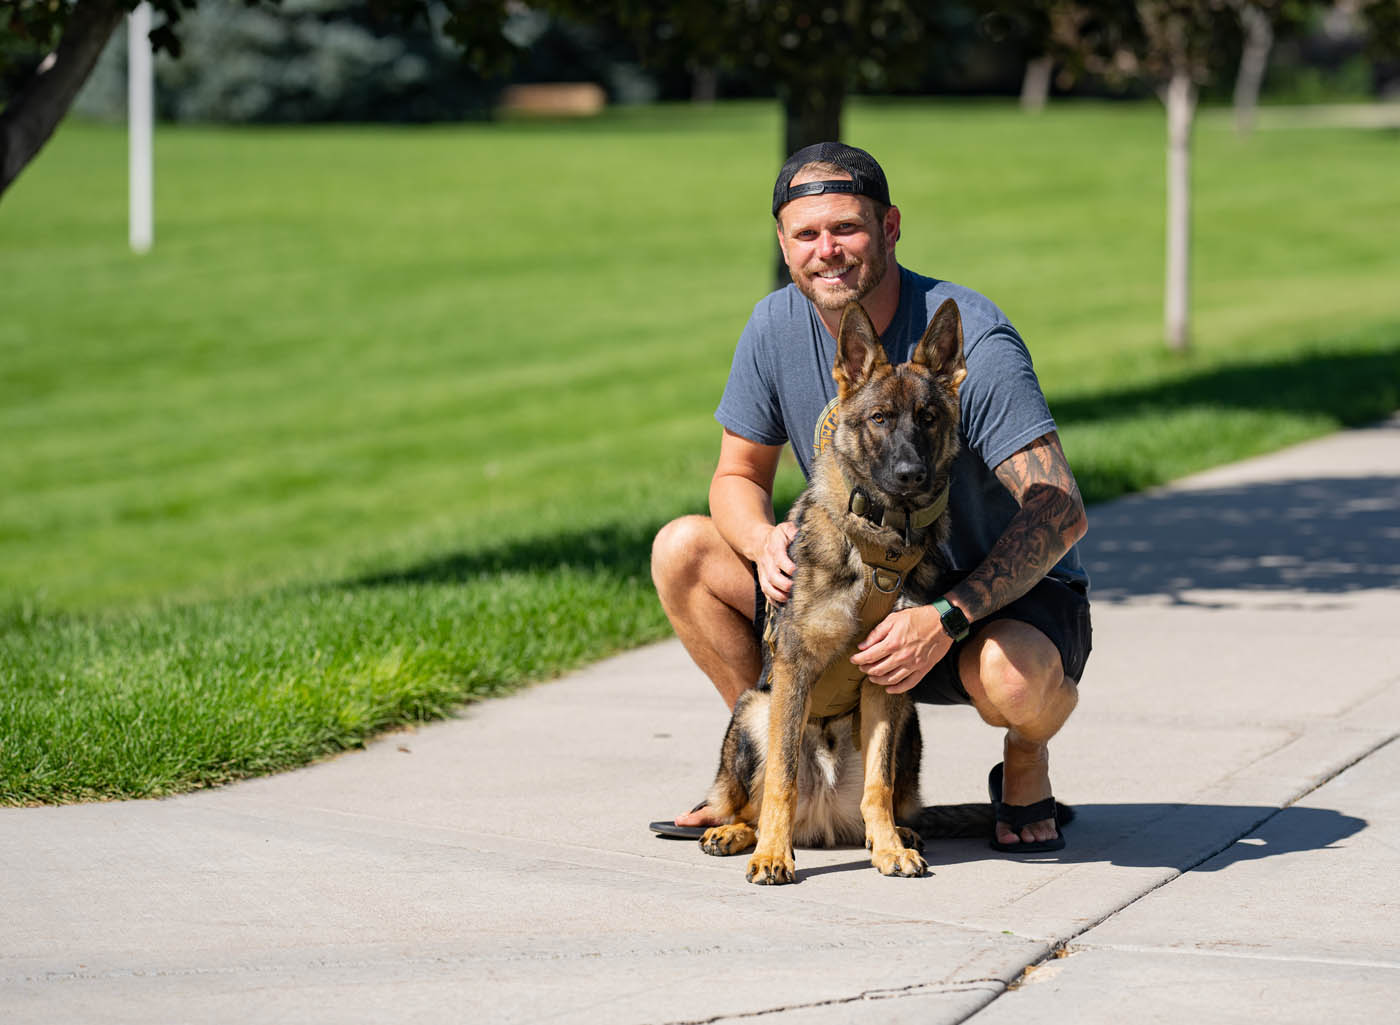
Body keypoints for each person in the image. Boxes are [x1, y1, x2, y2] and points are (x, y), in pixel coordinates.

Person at [650, 142, 1091, 852]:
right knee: (684, 551)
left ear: (888, 229)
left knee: (1011, 680)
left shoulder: (971, 339)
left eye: (847, 229)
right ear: (784, 244)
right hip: (848, 598)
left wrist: (946, 617)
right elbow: (735, 477)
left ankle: (1024, 758)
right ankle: (769, 776)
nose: (828, 251)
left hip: (980, 605)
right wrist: (763, 542)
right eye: (807, 234)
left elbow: (1060, 508)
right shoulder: (773, 325)